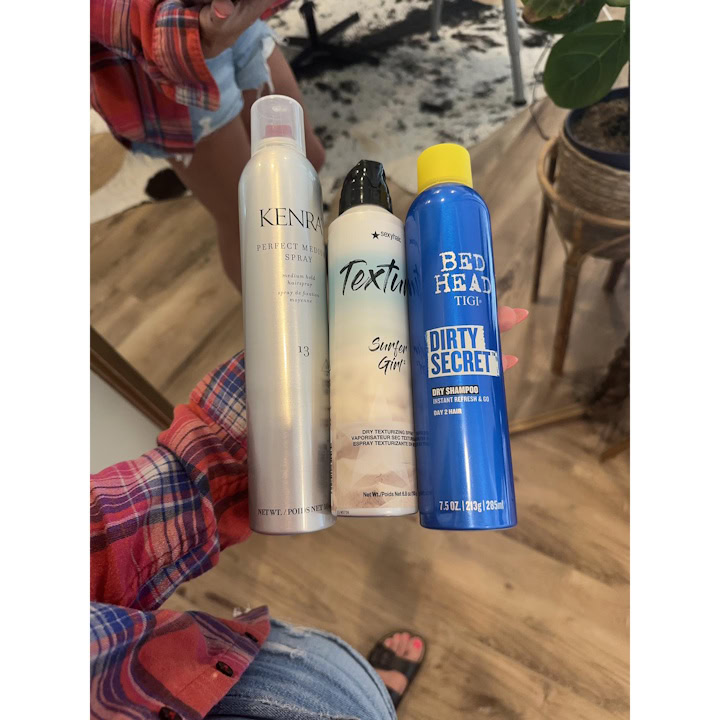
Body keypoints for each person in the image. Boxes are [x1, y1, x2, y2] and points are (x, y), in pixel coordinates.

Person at [90, 306, 529, 719]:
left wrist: (231, 431)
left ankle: (371, 686)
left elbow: (106, 531)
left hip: (241, 659)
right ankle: (378, 694)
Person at [90, 0, 325, 292]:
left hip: (229, 18)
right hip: (152, 52)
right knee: (250, 223)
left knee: (309, 163)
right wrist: (161, 27)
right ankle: (277, 316)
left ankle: (308, 283)